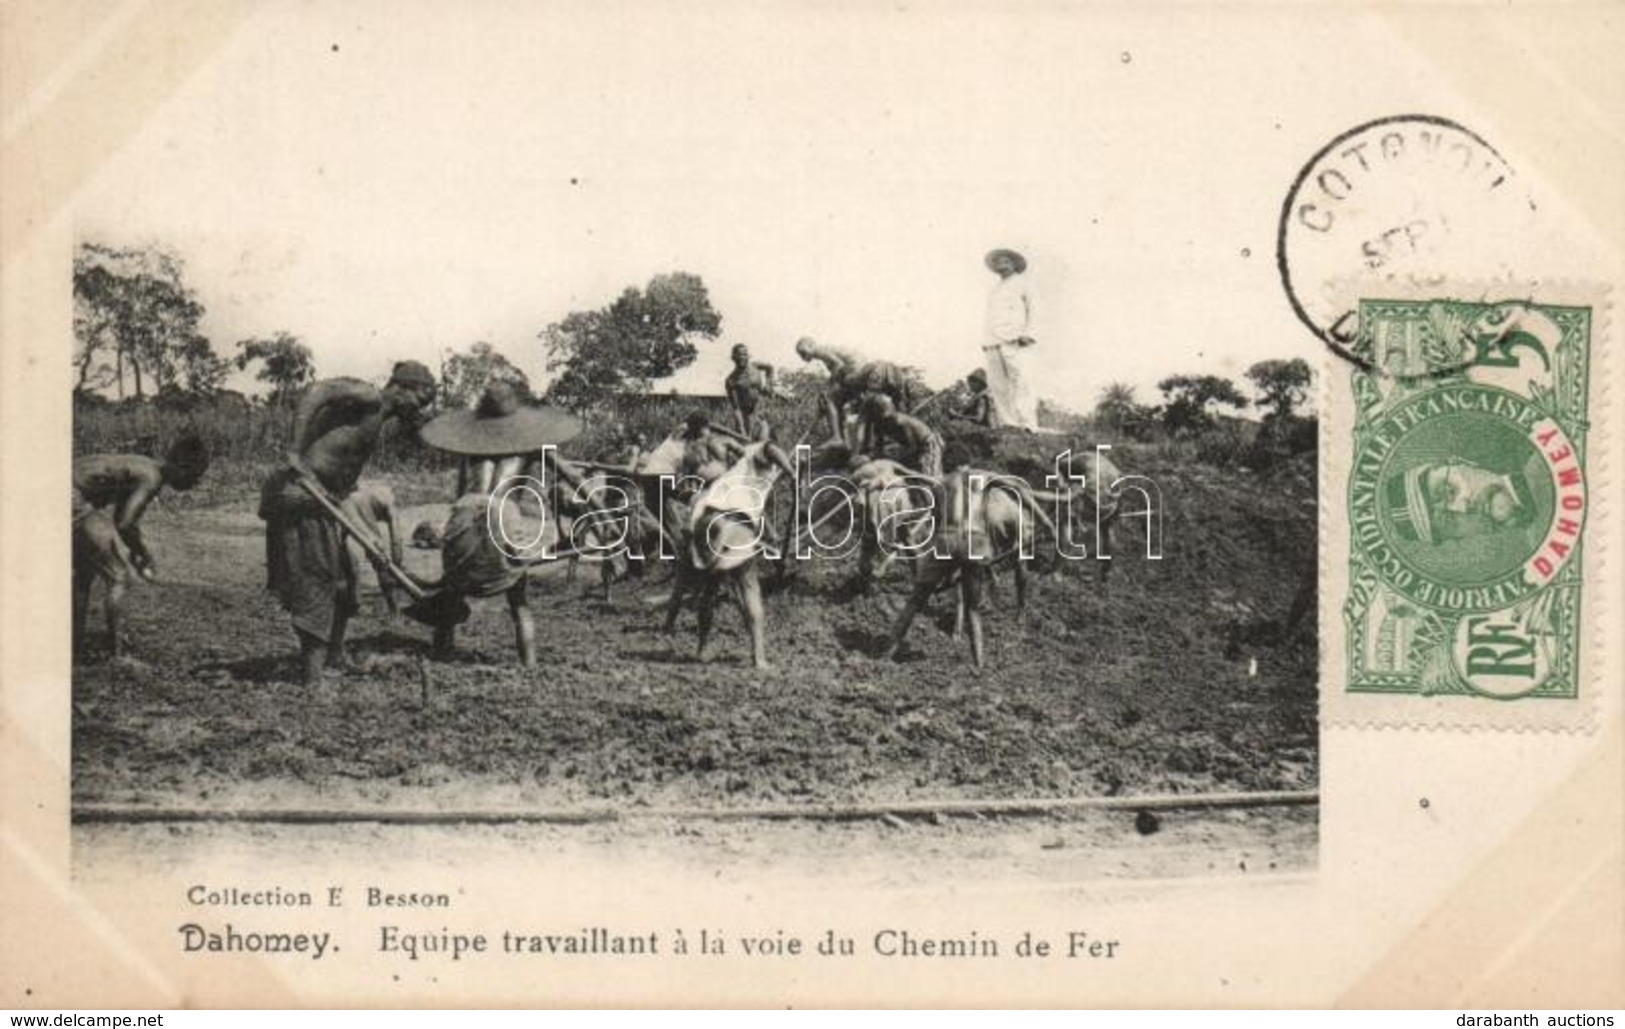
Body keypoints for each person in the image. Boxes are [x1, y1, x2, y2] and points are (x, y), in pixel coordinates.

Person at [259, 361, 437, 688]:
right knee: (319, 580)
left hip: (325, 500)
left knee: (345, 583)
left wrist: (373, 541)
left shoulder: (378, 420)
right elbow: (318, 391)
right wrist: (295, 450)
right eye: (419, 400)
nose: (418, 409)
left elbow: (345, 491)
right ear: (401, 387)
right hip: (300, 493)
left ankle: (334, 656)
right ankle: (312, 681)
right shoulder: (369, 396)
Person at [416, 380, 584, 667]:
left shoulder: (471, 446)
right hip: (503, 511)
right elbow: (573, 477)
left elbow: (460, 495)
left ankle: (441, 654)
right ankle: (529, 665)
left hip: (466, 508)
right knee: (518, 599)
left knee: (452, 589)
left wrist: (452, 534)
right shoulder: (532, 444)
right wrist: (602, 510)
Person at [72, 435, 210, 659]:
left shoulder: (144, 466)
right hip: (72, 496)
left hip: (67, 489)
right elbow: (126, 523)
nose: (193, 484)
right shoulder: (151, 478)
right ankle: (118, 655)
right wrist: (144, 554)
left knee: (84, 574)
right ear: (182, 467)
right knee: (118, 576)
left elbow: (120, 520)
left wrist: (137, 550)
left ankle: (74, 646)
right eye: (194, 477)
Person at [794, 336, 913, 444]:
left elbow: (839, 365)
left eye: (803, 352)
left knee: (830, 398)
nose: (803, 357)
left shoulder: (819, 350)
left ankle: (837, 437)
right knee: (861, 404)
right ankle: (868, 437)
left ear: (810, 345)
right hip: (859, 370)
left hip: (854, 370)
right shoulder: (826, 350)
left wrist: (828, 386)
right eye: (800, 355)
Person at [983, 247, 1040, 430]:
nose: (1002, 264)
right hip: (993, 340)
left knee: (1022, 380)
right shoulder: (994, 290)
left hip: (1015, 339)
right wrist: (986, 340)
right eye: (998, 261)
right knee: (998, 384)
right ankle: (1008, 423)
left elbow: (1035, 310)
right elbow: (990, 316)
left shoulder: (1023, 284)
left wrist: (1029, 333)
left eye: (1006, 261)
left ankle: (1028, 424)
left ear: (1014, 264)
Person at [857, 392, 944, 477]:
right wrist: (871, 458)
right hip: (916, 448)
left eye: (889, 417)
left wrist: (897, 461)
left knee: (930, 476)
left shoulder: (900, 422)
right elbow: (878, 448)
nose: (888, 421)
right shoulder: (879, 426)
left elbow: (912, 448)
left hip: (930, 443)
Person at [723, 343, 782, 440]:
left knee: (772, 439)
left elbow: (770, 368)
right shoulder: (731, 380)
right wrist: (741, 428)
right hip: (747, 415)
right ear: (734, 357)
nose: (743, 357)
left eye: (745, 354)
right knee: (751, 443)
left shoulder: (755, 366)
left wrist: (768, 384)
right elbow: (736, 408)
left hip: (762, 407)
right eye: (740, 354)